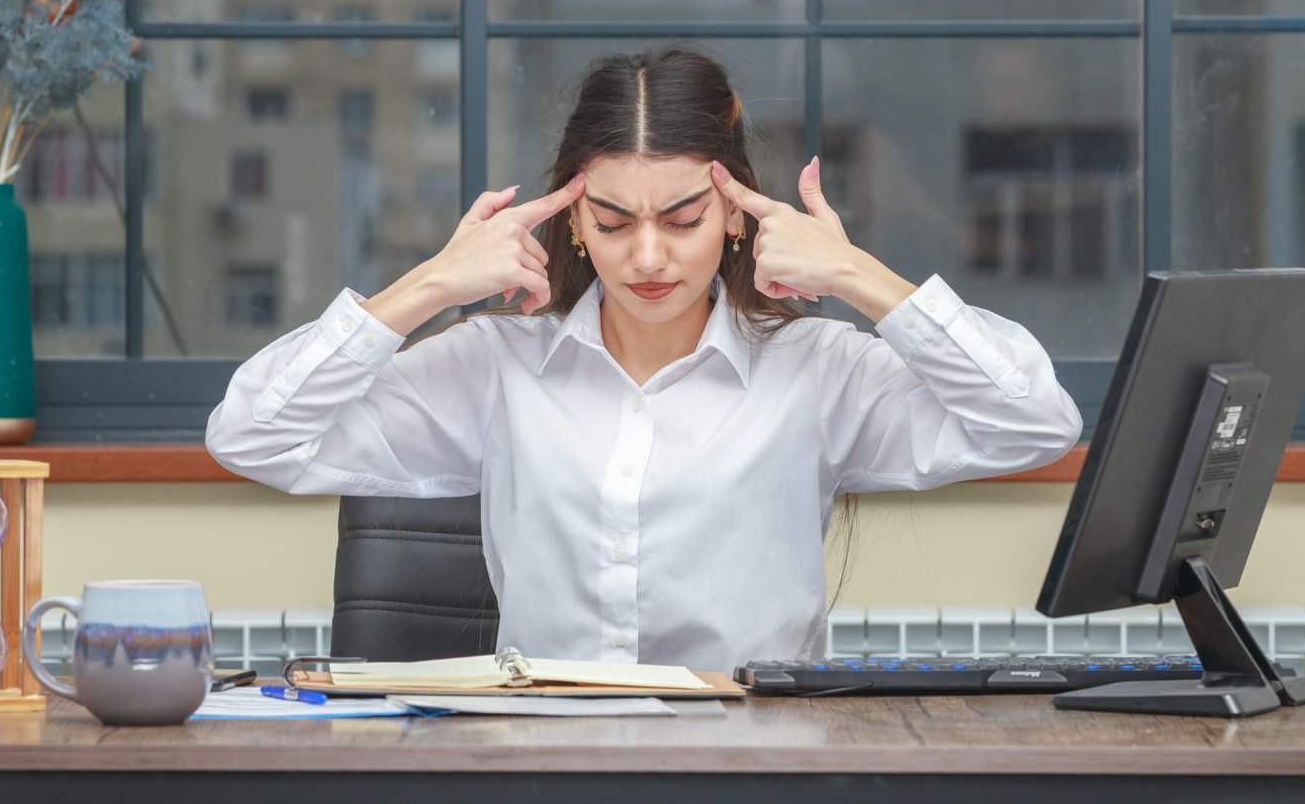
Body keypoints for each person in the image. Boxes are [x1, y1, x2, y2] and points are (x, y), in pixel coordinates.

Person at [206, 43, 1082, 673]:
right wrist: (426, 287)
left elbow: (1034, 421)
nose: (650, 257)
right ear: (576, 225)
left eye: (684, 218)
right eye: (616, 223)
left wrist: (862, 277)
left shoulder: (818, 368)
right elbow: (252, 434)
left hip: (755, 778)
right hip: (548, 775)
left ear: (737, 212)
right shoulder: (498, 365)